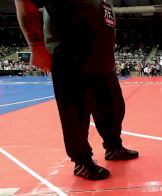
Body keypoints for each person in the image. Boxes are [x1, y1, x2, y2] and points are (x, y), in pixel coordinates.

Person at [14, 0, 138, 181]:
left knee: (114, 107)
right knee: (75, 113)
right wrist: (37, 46)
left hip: (102, 60)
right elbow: (24, 2)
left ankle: (113, 147)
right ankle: (82, 162)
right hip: (70, 56)